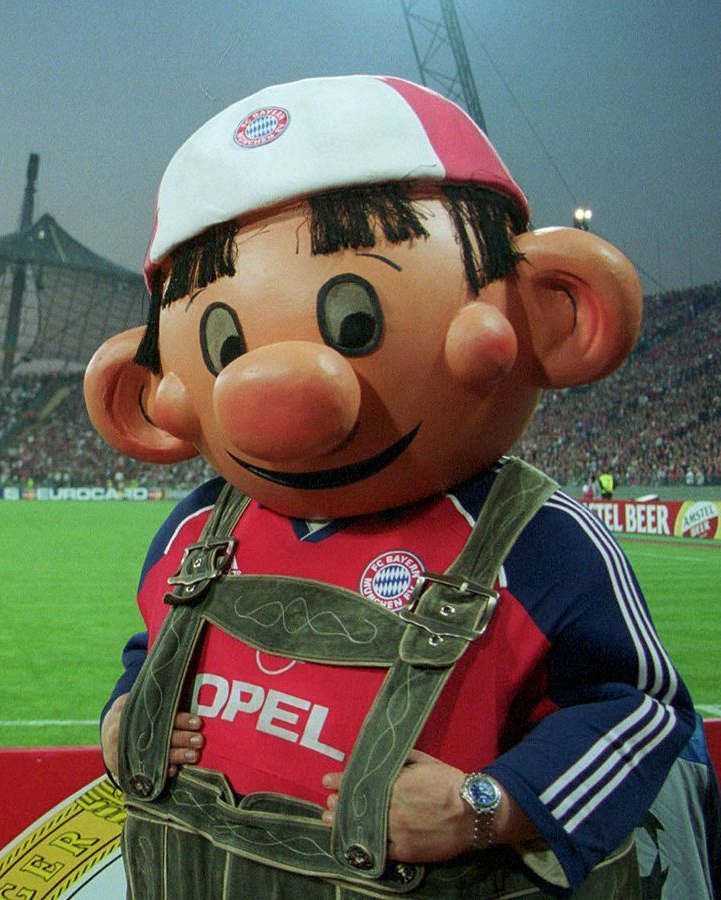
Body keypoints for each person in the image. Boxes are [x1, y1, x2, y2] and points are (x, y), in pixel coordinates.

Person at [85, 75, 716, 897]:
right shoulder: (200, 525)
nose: (275, 389)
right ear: (152, 393)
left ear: (551, 309)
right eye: (225, 339)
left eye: (355, 319)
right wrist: (126, 711)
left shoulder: (536, 540)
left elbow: (642, 714)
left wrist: (485, 806)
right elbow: (158, 642)